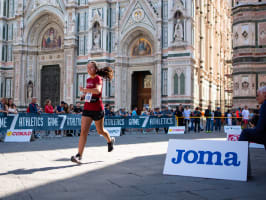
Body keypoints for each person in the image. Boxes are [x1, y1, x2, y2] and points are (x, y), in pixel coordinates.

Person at [71, 61, 115, 164]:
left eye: (91, 68)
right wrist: (84, 95)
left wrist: (85, 89)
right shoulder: (88, 79)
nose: (89, 69)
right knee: (83, 131)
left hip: (97, 109)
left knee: (100, 131)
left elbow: (97, 91)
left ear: (95, 69)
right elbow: (89, 92)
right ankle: (79, 155)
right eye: (88, 68)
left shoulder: (98, 78)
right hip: (87, 108)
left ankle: (110, 141)